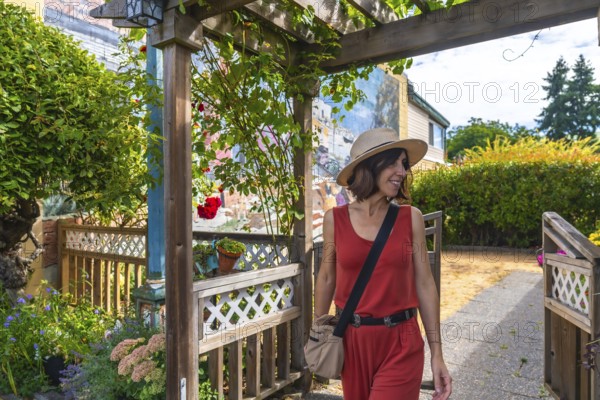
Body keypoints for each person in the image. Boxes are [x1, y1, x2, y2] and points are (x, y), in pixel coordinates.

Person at [313, 127, 452, 400]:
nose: (401, 171)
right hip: (352, 342)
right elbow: (327, 278)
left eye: (404, 164)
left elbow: (425, 283)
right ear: (369, 167)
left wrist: (437, 353)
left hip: (401, 342)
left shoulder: (411, 218)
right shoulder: (335, 220)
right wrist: (318, 334)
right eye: (393, 163)